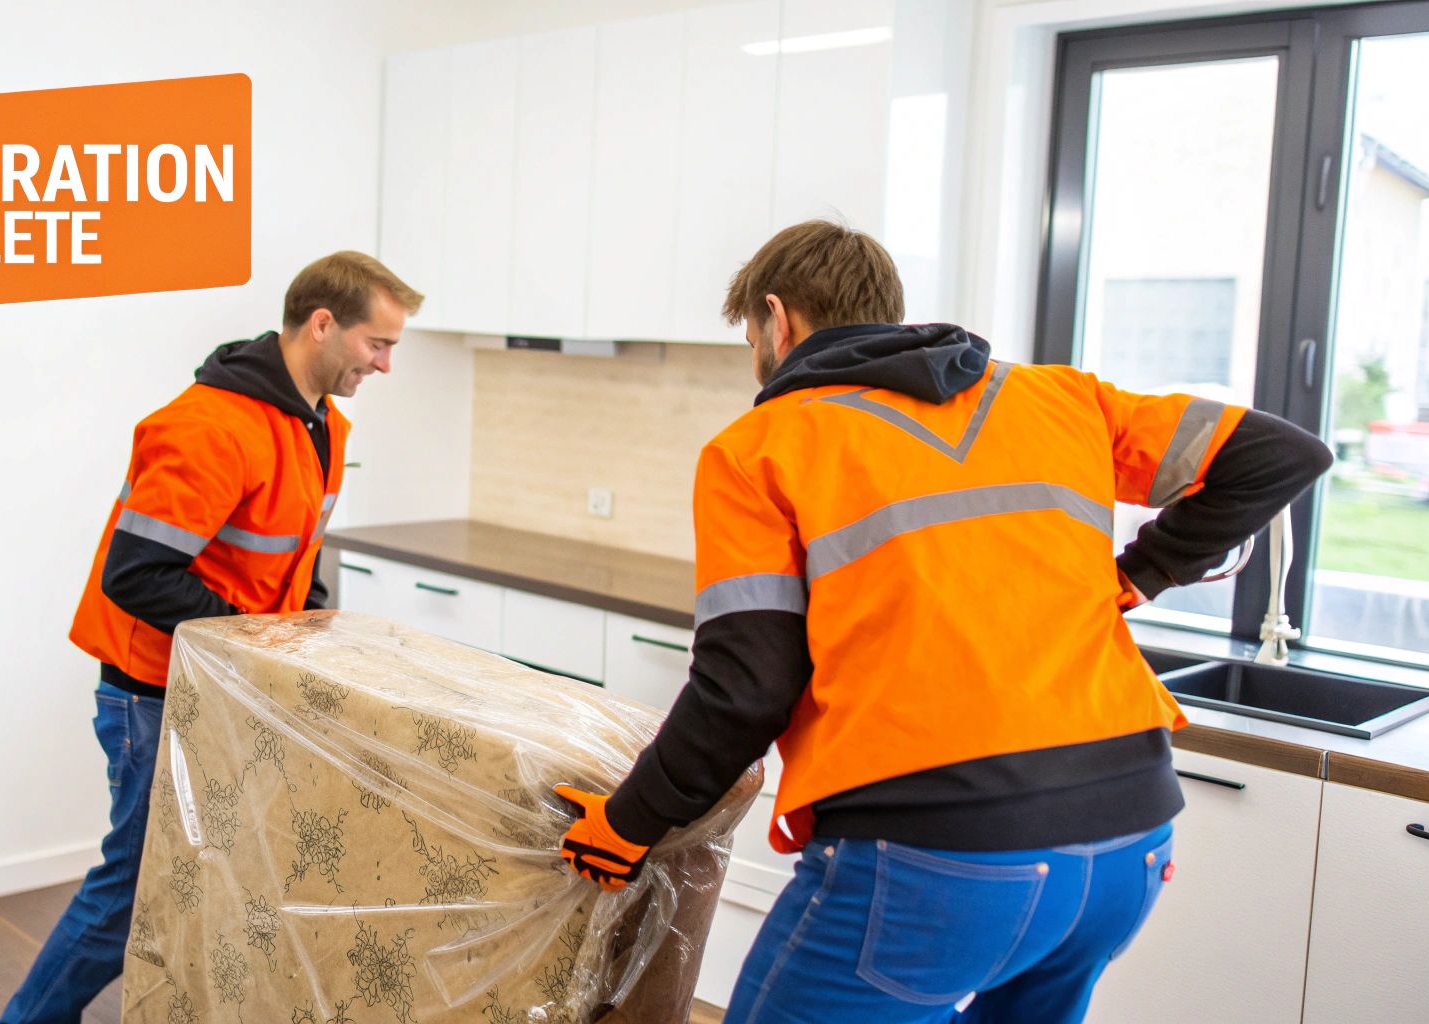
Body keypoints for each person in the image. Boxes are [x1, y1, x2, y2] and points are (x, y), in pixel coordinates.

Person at [554, 221, 1331, 1023]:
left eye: (751, 334)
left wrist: (627, 825)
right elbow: (1279, 454)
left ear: (777, 320)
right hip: (1127, 844)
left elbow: (744, 689)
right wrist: (1141, 573)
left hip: (937, 858)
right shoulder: (1061, 398)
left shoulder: (761, 448)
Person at [1, 251, 423, 1023]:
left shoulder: (322, 425)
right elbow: (136, 574)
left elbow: (297, 555)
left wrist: (307, 634)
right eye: (378, 343)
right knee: (132, 888)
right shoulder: (210, 427)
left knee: (204, 879)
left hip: (226, 691)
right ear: (323, 325)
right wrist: (260, 641)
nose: (386, 364)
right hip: (152, 696)